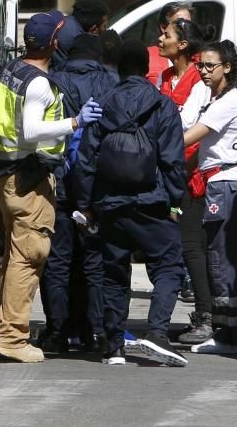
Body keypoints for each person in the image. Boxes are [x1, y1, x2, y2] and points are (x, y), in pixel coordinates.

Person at [0, 10, 103, 363]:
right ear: (54, 42)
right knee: (29, 256)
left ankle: (6, 329)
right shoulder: (38, 83)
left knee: (14, 257)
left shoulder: (14, 71)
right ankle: (12, 338)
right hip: (30, 179)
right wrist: (75, 121)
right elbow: (31, 131)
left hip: (12, 176)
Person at [74, 40, 188, 367]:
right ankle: (156, 333)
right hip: (152, 201)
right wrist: (175, 201)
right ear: (146, 68)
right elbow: (172, 160)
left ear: (117, 68)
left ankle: (113, 346)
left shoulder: (100, 104)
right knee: (169, 265)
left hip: (110, 203)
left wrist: (87, 204)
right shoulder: (162, 106)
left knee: (113, 271)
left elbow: (87, 161)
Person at [41, 34, 119, 354]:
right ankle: (95, 331)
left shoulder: (51, 82)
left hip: (58, 180)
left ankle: (57, 331)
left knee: (57, 261)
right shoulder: (112, 82)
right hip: (96, 185)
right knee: (94, 260)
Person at [180, 40, 237, 355]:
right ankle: (225, 331)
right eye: (201, 66)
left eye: (211, 66)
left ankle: (225, 334)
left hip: (223, 182)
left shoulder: (226, 101)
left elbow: (191, 136)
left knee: (220, 260)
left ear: (227, 67)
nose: (204, 72)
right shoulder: (217, 96)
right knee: (217, 257)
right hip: (216, 181)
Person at [157, 18, 212, 341]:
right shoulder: (166, 77)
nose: (160, 39)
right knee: (181, 246)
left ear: (182, 46)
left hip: (192, 175)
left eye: (166, 35)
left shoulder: (198, 80)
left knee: (194, 248)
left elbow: (192, 131)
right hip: (168, 171)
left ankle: (206, 315)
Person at [53, 0, 110, 69]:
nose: (106, 29)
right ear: (94, 29)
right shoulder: (79, 42)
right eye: (104, 26)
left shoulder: (62, 23)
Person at [147, 1, 195, 84]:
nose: (187, 28)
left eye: (189, 23)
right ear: (163, 27)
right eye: (180, 23)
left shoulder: (200, 58)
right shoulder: (146, 56)